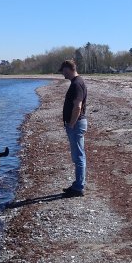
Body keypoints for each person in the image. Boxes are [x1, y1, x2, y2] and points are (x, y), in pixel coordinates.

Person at [59, 59, 87, 197]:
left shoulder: (76, 84)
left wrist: (71, 124)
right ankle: (78, 184)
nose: (62, 74)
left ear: (68, 69)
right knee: (78, 156)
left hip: (76, 124)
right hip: (76, 124)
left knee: (78, 156)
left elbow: (78, 107)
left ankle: (78, 187)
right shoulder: (76, 82)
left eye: (63, 71)